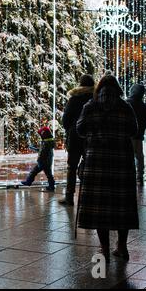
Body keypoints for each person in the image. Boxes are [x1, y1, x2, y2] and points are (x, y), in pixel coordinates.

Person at [76, 75, 139, 262]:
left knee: (99, 208)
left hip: (97, 162)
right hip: (121, 163)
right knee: (122, 207)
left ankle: (104, 249)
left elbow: (79, 129)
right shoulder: (125, 107)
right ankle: (122, 246)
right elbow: (134, 130)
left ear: (99, 88)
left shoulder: (90, 106)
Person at [59, 74, 95, 206]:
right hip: (90, 137)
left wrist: (70, 130)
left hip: (74, 137)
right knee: (89, 166)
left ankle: (69, 197)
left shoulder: (74, 99)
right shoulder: (95, 99)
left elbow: (66, 119)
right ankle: (88, 196)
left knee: (71, 167)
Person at [126, 84, 146, 185]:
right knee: (139, 156)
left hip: (127, 135)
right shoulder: (143, 106)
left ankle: (128, 174)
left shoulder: (126, 103)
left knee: (127, 155)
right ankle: (140, 175)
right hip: (138, 135)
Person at [20, 126, 55, 191]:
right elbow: (41, 150)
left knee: (34, 172)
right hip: (47, 162)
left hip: (43, 162)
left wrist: (39, 161)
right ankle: (51, 186)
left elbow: (43, 153)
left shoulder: (46, 143)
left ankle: (28, 182)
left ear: (44, 135)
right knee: (49, 175)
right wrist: (33, 148)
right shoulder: (48, 142)